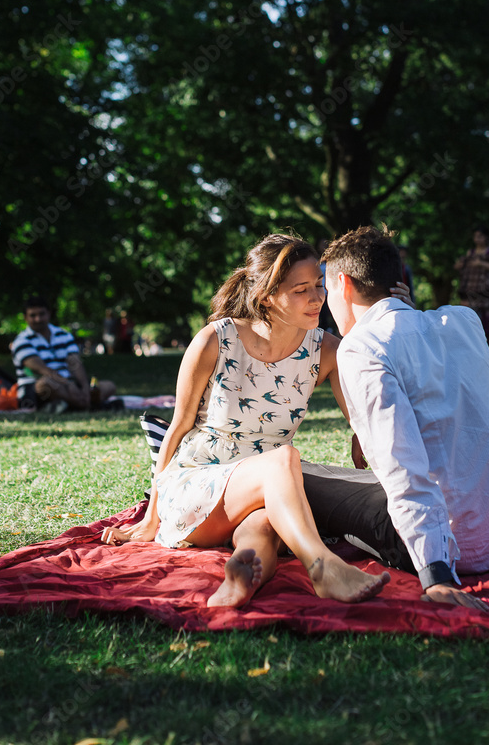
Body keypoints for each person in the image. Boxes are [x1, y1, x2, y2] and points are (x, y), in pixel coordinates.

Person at [101, 234, 392, 608]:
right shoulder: (216, 339)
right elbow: (177, 428)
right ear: (267, 296)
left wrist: (360, 434)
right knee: (284, 459)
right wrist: (151, 518)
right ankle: (322, 566)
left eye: (318, 285)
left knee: (263, 528)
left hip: (263, 490)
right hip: (197, 484)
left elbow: (363, 416)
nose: (317, 297)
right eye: (301, 290)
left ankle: (240, 579)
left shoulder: (326, 349)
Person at [321, 226, 489, 612]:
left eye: (326, 292)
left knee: (301, 479)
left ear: (343, 284)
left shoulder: (361, 347)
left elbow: (400, 464)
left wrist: (435, 573)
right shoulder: (464, 321)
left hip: (460, 547)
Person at [11, 296, 117, 410]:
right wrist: (67, 384)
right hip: (38, 387)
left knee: (109, 386)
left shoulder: (63, 335)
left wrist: (84, 386)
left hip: (68, 385)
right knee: (45, 384)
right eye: (33, 315)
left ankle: (74, 402)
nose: (38, 319)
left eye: (42, 314)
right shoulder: (21, 341)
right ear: (25, 317)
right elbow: (42, 370)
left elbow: (75, 362)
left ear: (49, 313)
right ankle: (84, 403)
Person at [454, 226, 489, 347]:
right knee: (470, 325)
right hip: (470, 292)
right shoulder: (470, 252)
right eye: (475, 236)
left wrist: (481, 264)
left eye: (480, 236)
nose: (477, 239)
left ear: (486, 237)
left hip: (488, 293)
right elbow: (458, 267)